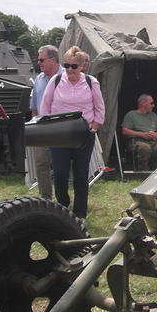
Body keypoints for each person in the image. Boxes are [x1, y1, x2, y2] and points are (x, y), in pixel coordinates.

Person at [40, 46, 105, 219]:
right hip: (59, 134)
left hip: (83, 134)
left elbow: (99, 109)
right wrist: (47, 129)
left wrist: (94, 127)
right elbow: (45, 107)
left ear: (82, 66)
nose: (69, 69)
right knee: (60, 174)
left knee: (81, 175)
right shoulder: (56, 80)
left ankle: (80, 213)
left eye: (74, 66)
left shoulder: (91, 82)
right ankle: (62, 207)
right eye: (67, 65)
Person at [29, 45, 63, 200]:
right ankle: (46, 199)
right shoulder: (38, 79)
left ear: (53, 60)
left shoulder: (67, 76)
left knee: (62, 166)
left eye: (41, 59)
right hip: (42, 128)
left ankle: (63, 200)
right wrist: (35, 126)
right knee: (41, 163)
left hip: (62, 128)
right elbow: (34, 106)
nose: (39, 63)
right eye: (38, 60)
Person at [122, 94, 157, 171]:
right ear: (143, 103)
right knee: (144, 148)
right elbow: (125, 131)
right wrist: (142, 135)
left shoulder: (153, 115)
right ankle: (143, 173)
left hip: (152, 141)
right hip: (136, 141)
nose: (153, 105)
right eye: (151, 103)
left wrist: (156, 134)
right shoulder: (131, 115)